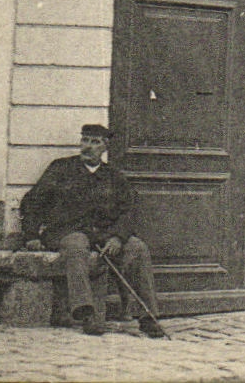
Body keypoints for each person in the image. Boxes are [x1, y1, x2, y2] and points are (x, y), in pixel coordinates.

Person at [21, 123, 165, 338]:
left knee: (138, 248)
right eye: (85, 140)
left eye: (95, 142)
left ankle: (148, 316)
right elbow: (32, 202)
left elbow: (129, 211)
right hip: (66, 231)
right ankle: (87, 313)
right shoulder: (60, 168)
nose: (88, 147)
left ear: (105, 147)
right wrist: (31, 235)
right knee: (77, 246)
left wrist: (118, 237)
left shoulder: (114, 177)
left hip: (103, 234)